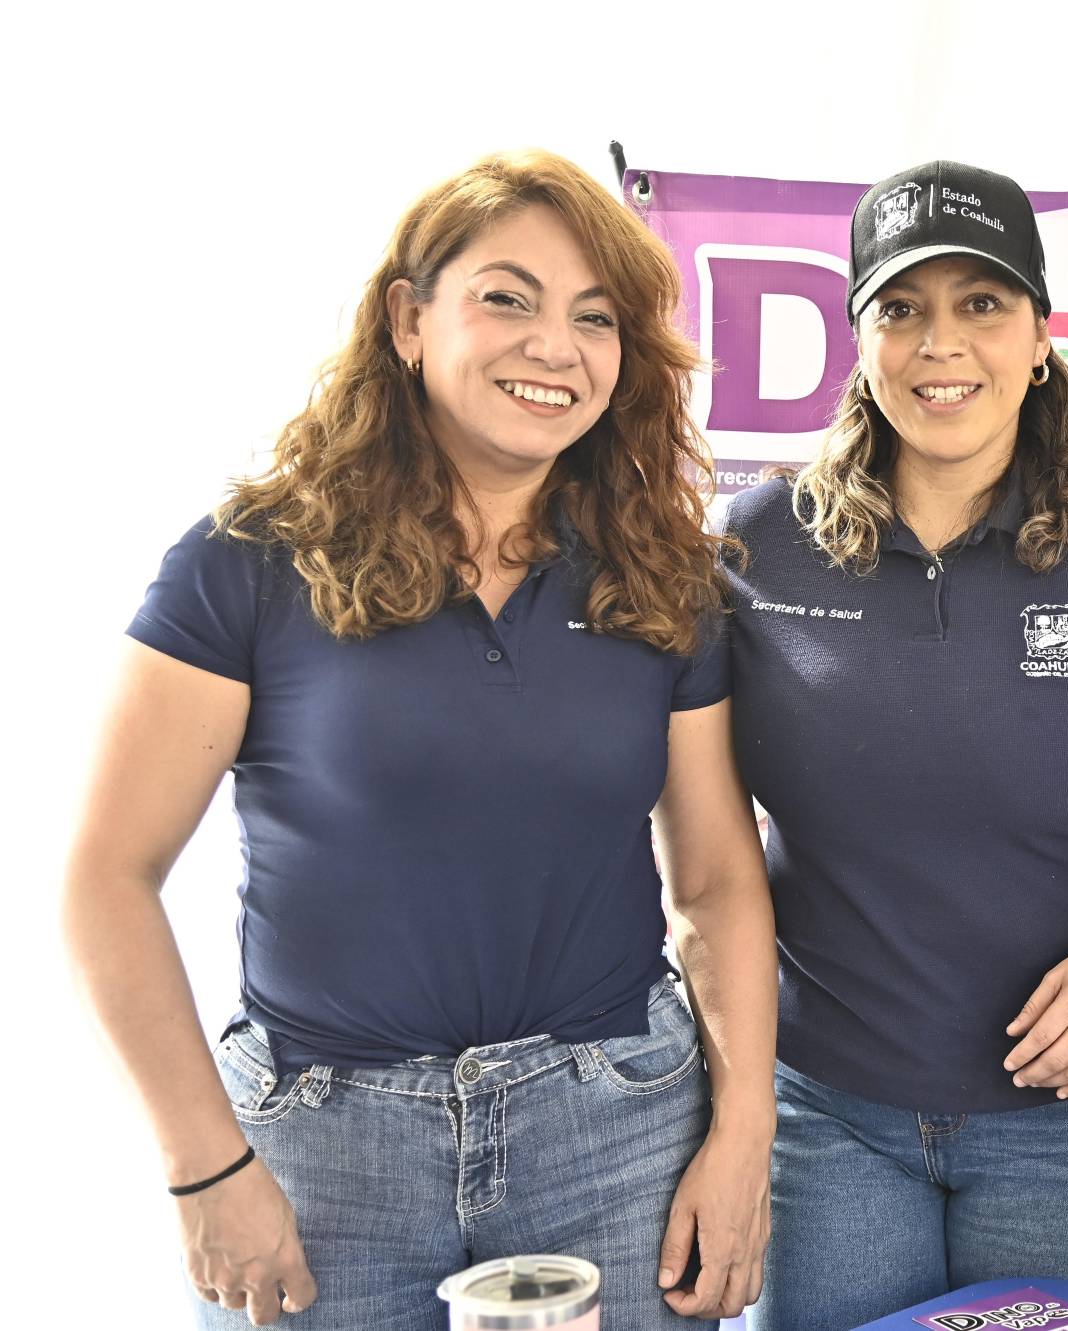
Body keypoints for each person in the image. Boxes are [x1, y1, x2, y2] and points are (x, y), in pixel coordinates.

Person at [62, 151, 776, 1329]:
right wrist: (204, 1162)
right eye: (509, 297)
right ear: (407, 317)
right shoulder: (247, 559)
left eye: (595, 318)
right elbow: (105, 877)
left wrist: (742, 1132)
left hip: (613, 1132)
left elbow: (713, 877)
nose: (556, 345)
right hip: (324, 1152)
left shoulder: (664, 575)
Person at [723, 160, 1068, 1331]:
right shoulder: (757, 545)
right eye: (901, 308)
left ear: (1040, 334)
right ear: (859, 339)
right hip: (823, 1113)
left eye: (981, 304)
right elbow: (695, 826)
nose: (942, 343)